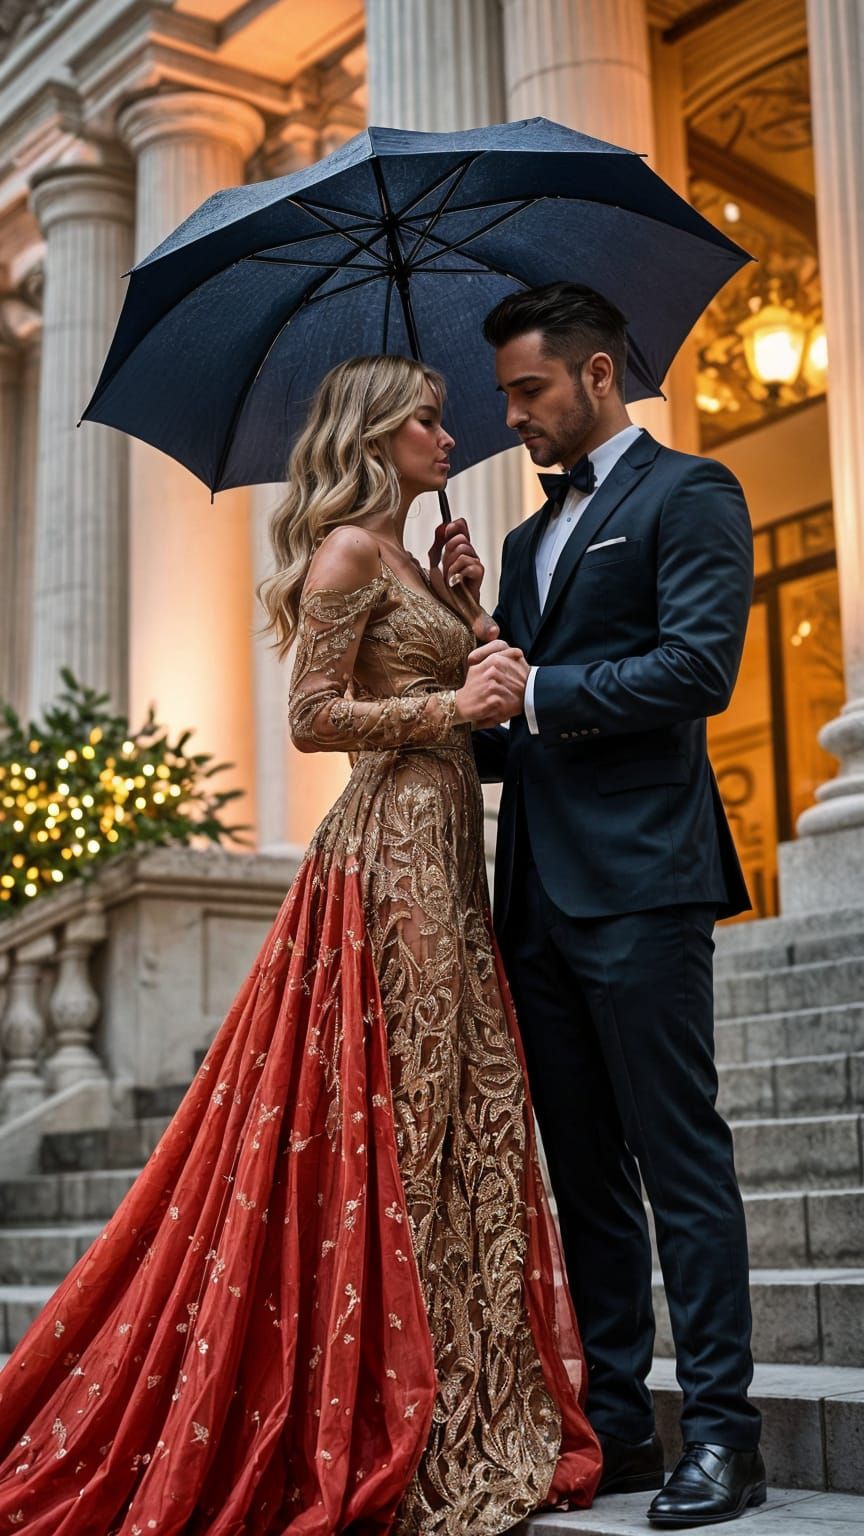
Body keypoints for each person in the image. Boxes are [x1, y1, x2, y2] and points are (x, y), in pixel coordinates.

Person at [0, 354, 601, 1536]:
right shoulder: (344, 553)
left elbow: (466, 683)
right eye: (428, 419)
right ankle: (399, 1411)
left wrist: (467, 601)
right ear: (377, 435)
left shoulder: (410, 557)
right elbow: (312, 716)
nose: (448, 435)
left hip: (446, 855)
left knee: (466, 1114)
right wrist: (454, 704)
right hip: (386, 862)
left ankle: (465, 1397)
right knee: (412, 1119)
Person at [439, 282, 766, 1529]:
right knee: (583, 1176)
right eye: (507, 395)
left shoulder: (693, 494)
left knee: (679, 1164)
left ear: (596, 374)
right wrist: (457, 629)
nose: (511, 415)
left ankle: (726, 1437)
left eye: (528, 391)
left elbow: (698, 669)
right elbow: (511, 730)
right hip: (536, 897)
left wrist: (532, 689)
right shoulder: (525, 546)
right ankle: (622, 1427)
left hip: (645, 882)